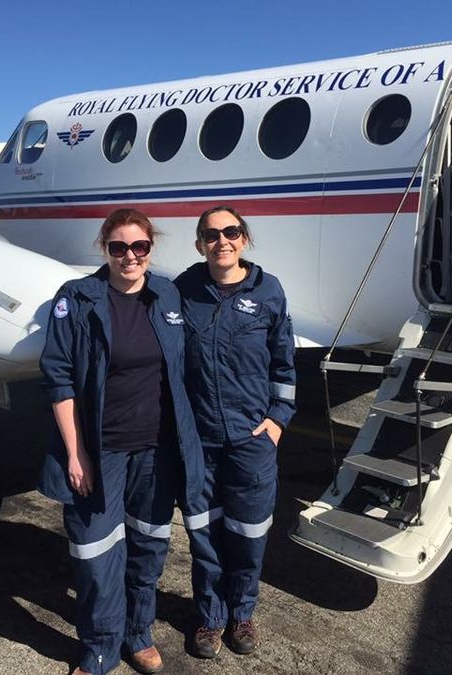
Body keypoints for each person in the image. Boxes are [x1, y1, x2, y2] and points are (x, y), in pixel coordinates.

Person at [38, 208, 203, 675]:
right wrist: (76, 453)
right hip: (101, 450)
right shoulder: (77, 299)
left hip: (155, 451)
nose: (129, 256)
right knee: (95, 554)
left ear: (151, 248)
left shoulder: (167, 295)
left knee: (149, 547)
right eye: (119, 247)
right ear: (104, 249)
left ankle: (138, 633)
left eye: (140, 247)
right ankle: (98, 648)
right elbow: (59, 379)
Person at [175, 205, 296, 658]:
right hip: (200, 439)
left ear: (243, 238)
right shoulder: (184, 290)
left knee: (248, 533)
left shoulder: (269, 291)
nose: (221, 241)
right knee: (204, 533)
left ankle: (242, 613)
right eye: (211, 234)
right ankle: (210, 618)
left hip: (252, 439)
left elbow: (284, 363)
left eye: (230, 232)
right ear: (200, 243)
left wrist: (278, 419)